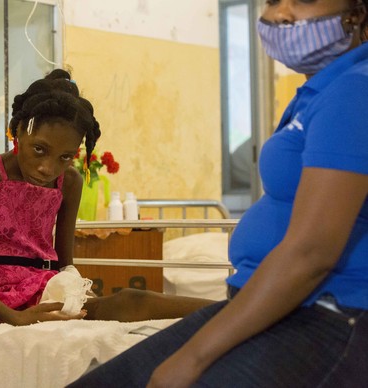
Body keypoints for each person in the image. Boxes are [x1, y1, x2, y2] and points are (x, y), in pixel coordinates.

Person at [68, 0, 368, 387]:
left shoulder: (355, 90)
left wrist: (193, 358)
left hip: (326, 315)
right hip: (278, 307)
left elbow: (311, 253)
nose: (282, 14)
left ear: (357, 13)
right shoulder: (317, 91)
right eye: (274, 1)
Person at [0, 69, 213, 387]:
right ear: (18, 130)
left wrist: (75, 294)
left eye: (65, 157)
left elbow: (64, 262)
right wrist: (16, 318)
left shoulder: (68, 180)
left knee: (130, 300)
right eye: (39, 150)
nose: (48, 168)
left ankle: (231, 309)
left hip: (41, 287)